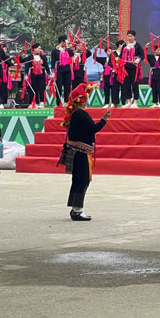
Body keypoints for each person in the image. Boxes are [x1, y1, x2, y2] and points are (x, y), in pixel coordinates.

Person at [56, 83, 110, 221]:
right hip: (81, 153)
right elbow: (93, 129)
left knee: (77, 180)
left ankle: (75, 208)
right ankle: (78, 209)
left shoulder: (75, 114)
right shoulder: (81, 114)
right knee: (83, 180)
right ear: (83, 100)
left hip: (76, 152)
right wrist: (104, 120)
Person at [121, 30, 144, 108]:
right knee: (126, 85)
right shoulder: (124, 45)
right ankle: (129, 102)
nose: (130, 38)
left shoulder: (137, 45)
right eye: (128, 36)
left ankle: (135, 102)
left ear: (134, 37)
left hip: (134, 68)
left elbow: (142, 55)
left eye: (131, 36)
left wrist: (138, 60)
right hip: (125, 68)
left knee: (134, 84)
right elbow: (121, 56)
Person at [24, 43, 50, 108]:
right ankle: (33, 102)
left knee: (41, 88)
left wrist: (50, 74)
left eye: (40, 48)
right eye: (39, 48)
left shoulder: (43, 57)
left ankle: (41, 102)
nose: (40, 49)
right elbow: (26, 67)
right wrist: (26, 75)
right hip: (33, 74)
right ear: (34, 49)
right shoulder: (29, 57)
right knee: (33, 88)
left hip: (41, 74)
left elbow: (46, 66)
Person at [50, 36, 74, 105]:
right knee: (59, 86)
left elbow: (71, 54)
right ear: (62, 42)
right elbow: (53, 62)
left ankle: (66, 101)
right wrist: (53, 72)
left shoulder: (67, 50)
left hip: (67, 69)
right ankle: (58, 102)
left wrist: (67, 46)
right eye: (65, 42)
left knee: (67, 86)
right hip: (59, 70)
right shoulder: (55, 51)